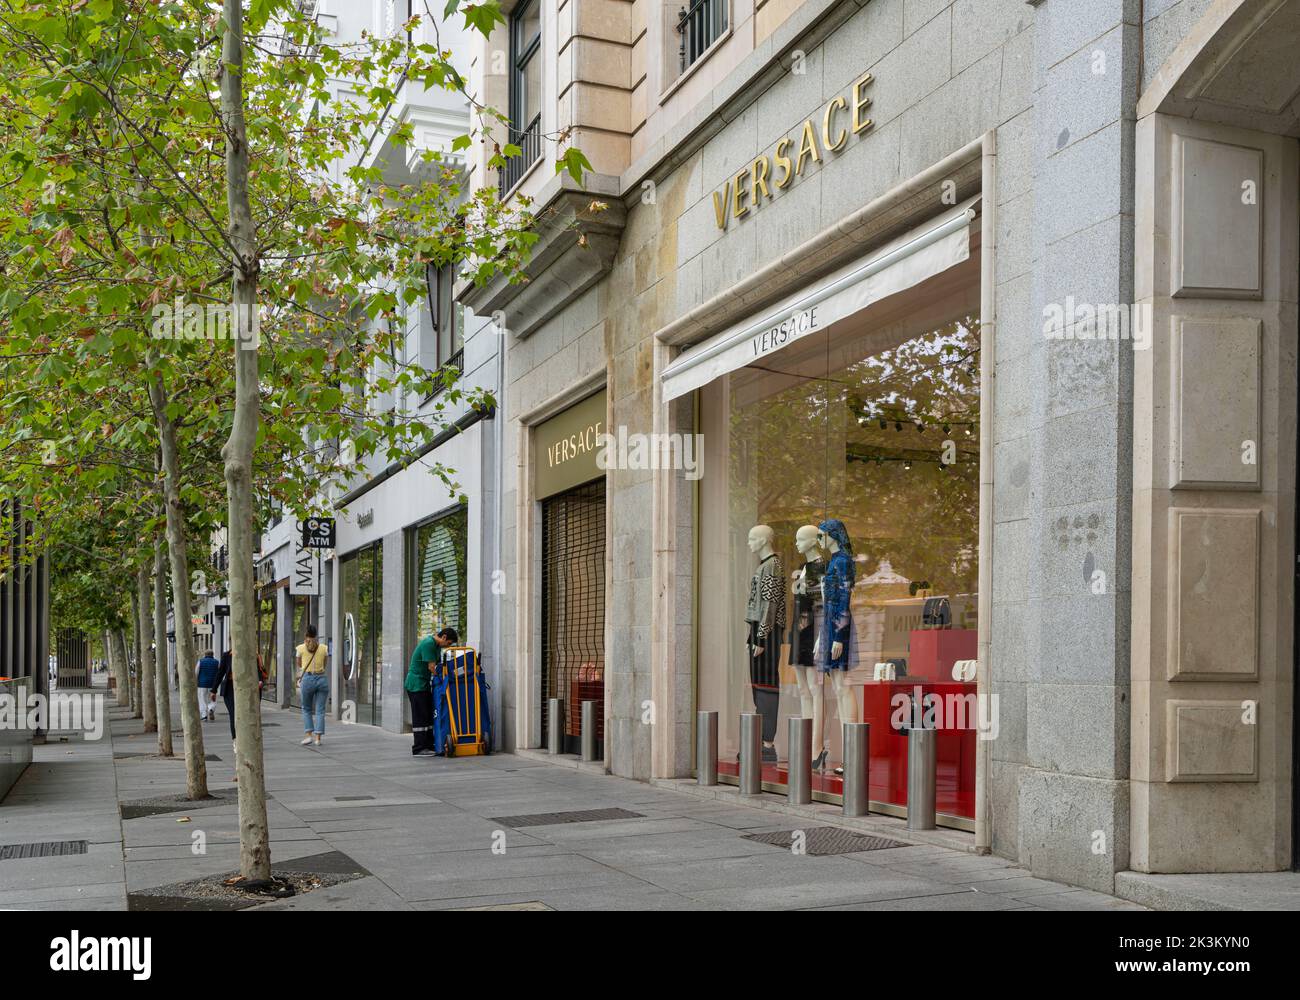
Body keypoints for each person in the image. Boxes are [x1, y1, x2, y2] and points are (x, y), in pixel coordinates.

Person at [405, 626, 458, 756]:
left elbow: (440, 666)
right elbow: (432, 667)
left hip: (423, 684)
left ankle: (428, 745)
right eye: (448, 643)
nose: (447, 646)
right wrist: (444, 679)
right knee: (420, 717)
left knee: (428, 715)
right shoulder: (429, 644)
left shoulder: (436, 646)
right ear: (444, 637)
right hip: (416, 684)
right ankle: (419, 748)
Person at [296, 625, 329, 747]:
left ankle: (309, 736)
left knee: (307, 708)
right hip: (322, 679)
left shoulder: (300, 648)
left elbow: (300, 665)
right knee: (320, 710)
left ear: (306, 635)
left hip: (308, 679)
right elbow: (325, 664)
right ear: (316, 635)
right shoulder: (324, 648)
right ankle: (318, 739)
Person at [196, 649, 220, 721]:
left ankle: (204, 716)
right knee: (212, 699)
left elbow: (196, 672)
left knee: (202, 699)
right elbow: (219, 673)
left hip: (202, 684)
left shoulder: (200, 661)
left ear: (205, 655)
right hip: (213, 684)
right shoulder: (216, 662)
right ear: (212, 655)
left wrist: (196, 681)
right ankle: (211, 709)